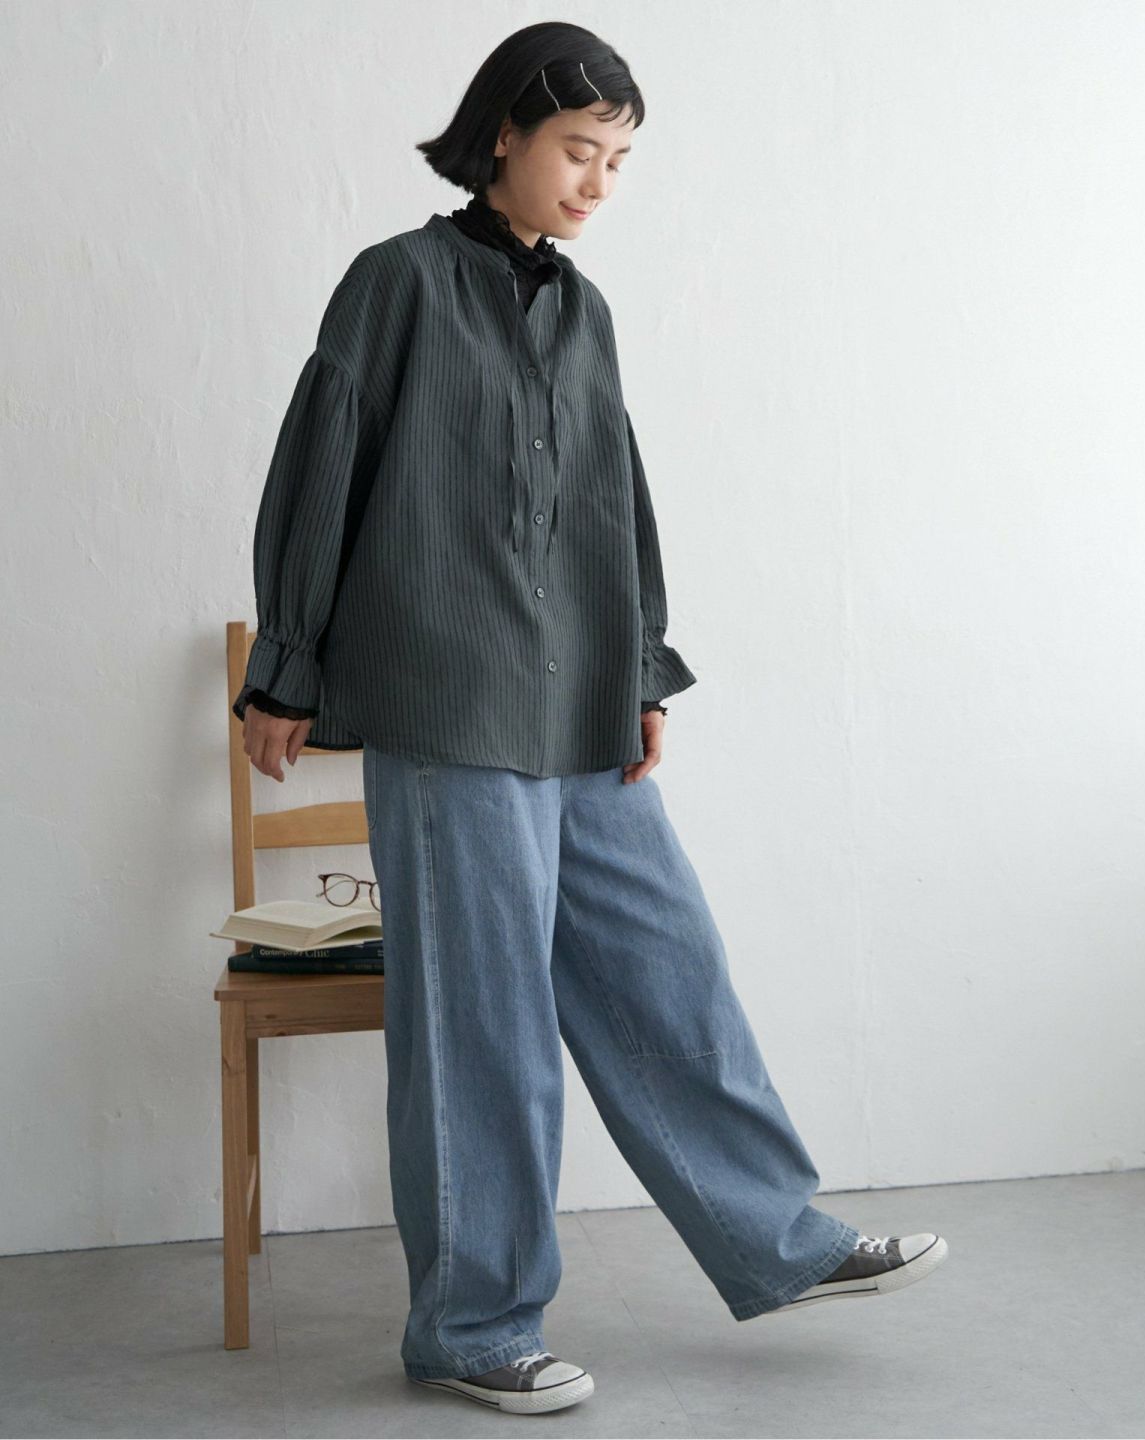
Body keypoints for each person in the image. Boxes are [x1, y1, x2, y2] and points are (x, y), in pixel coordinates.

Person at [233, 21, 948, 1418]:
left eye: (618, 160)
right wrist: (286, 668)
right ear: (503, 132)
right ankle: (473, 1325)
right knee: (483, 1024)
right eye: (578, 150)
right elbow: (321, 463)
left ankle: (779, 1237)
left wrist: (638, 673)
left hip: (576, 701)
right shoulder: (397, 283)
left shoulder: (585, 311)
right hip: (448, 702)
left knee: (667, 968)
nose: (598, 182)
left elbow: (613, 498)